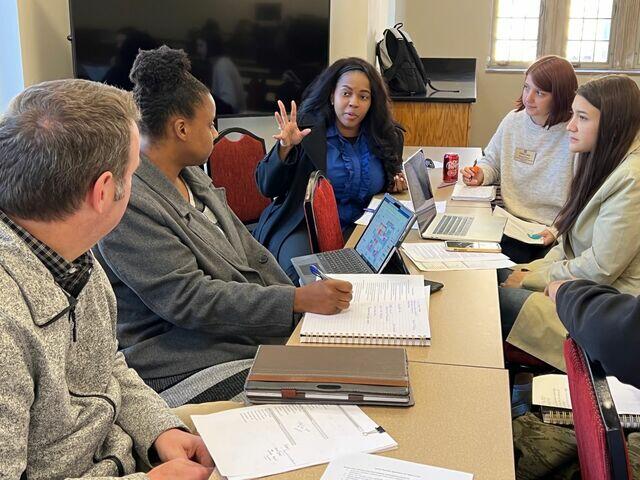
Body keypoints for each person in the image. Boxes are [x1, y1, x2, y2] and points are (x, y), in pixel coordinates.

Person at [96, 46, 352, 405]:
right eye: (211, 123)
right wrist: (293, 301)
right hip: (181, 359)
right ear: (181, 128)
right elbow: (189, 299)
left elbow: (250, 251)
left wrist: (300, 301)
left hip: (230, 336)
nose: (216, 132)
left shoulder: (192, 178)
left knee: (340, 363)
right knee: (317, 394)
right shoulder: (130, 203)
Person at [0, 79, 216, 479]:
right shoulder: (7, 324)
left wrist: (159, 429)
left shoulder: (74, 255)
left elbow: (106, 365)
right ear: (103, 191)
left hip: (125, 452)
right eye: (133, 172)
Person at [499, 74, 640, 370]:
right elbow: (568, 241)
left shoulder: (632, 179)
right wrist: (529, 272)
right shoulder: (603, 159)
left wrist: (530, 278)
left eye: (583, 118)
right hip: (577, 288)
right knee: (490, 275)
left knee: (490, 302)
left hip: (603, 308)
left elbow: (601, 267)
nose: (571, 126)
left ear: (612, 125)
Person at [252, 57, 407, 281]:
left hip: (362, 226)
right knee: (306, 280)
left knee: (395, 275)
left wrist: (393, 182)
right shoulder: (306, 131)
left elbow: (386, 176)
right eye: (346, 93)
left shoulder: (385, 136)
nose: (354, 102)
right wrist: (285, 148)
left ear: (372, 102)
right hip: (304, 225)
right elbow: (267, 186)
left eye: (363, 96)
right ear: (332, 96)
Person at [461, 55, 578, 263]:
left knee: (524, 278)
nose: (528, 98)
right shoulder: (513, 121)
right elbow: (492, 162)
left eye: (539, 93)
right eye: (526, 88)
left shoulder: (574, 133)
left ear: (559, 96)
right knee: (476, 262)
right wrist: (480, 174)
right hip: (511, 221)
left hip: (552, 231)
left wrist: (556, 229)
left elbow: (583, 195)